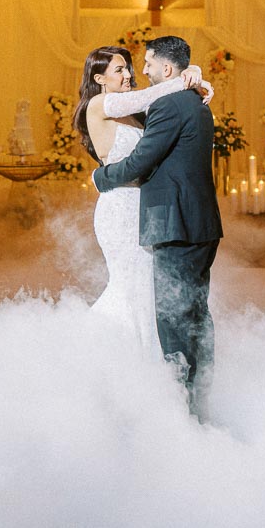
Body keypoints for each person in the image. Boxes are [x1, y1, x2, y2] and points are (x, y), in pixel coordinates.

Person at [92, 36, 222, 422]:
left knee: (173, 320)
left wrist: (101, 177)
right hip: (199, 223)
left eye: (147, 63)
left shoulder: (167, 104)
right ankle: (200, 398)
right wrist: (193, 77)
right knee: (196, 314)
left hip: (174, 225)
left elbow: (139, 162)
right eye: (128, 67)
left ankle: (181, 413)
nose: (140, 70)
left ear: (167, 69)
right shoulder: (194, 101)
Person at [73, 46, 210, 356]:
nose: (130, 74)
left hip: (145, 207)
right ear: (100, 78)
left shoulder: (134, 114)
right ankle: (101, 358)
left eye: (129, 68)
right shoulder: (98, 104)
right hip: (119, 208)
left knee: (148, 288)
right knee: (131, 286)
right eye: (119, 69)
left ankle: (149, 365)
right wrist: (185, 78)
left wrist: (194, 75)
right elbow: (148, 96)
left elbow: (165, 112)